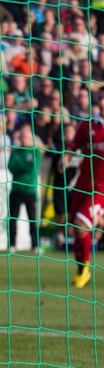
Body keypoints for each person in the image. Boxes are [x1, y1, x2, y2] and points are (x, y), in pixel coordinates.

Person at [64, 117, 104, 288]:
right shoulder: (87, 124)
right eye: (101, 98)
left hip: (102, 187)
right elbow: (73, 146)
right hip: (83, 183)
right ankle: (82, 270)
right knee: (74, 229)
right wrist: (65, 158)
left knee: (81, 225)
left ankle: (85, 268)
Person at [7, 126, 41, 254]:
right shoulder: (15, 152)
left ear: (30, 139)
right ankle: (11, 245)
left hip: (30, 191)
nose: (24, 139)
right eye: (22, 137)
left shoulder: (35, 152)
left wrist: (19, 165)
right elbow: (11, 167)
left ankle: (35, 245)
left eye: (26, 137)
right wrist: (23, 166)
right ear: (19, 138)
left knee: (32, 219)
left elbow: (32, 167)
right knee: (12, 219)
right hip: (16, 190)